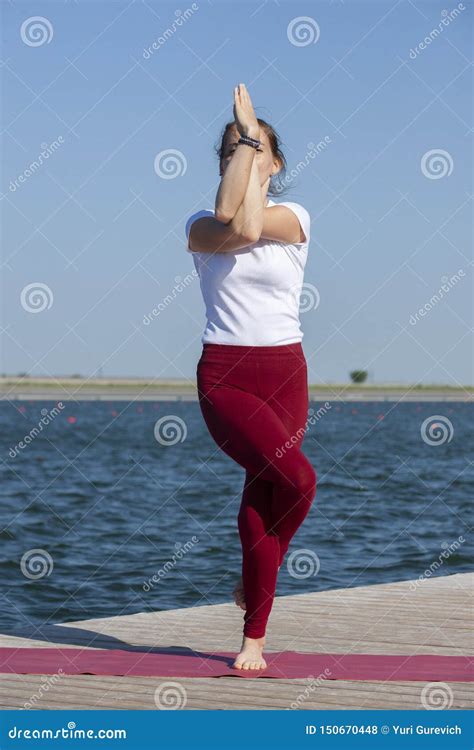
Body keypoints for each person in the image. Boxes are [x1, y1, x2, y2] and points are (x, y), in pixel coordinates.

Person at [185, 83, 317, 670]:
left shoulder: (296, 218)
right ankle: (256, 593)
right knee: (301, 481)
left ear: (277, 162)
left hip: (286, 372)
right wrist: (244, 138)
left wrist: (250, 152)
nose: (243, 153)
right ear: (225, 163)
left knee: (267, 496)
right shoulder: (198, 227)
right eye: (232, 150)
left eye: (258, 148)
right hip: (226, 377)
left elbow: (255, 219)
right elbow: (230, 221)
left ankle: (254, 633)